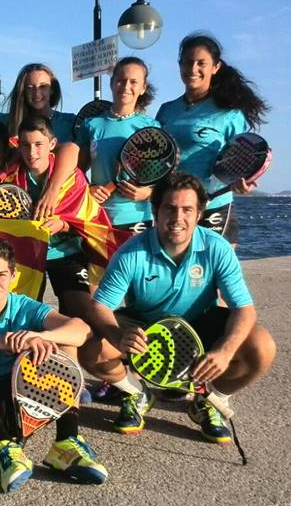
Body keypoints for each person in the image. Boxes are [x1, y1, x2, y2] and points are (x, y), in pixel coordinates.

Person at [81, 173, 276, 441]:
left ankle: (210, 400)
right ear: (155, 212)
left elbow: (244, 309)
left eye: (187, 210)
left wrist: (224, 351)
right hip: (146, 327)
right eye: (170, 208)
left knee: (262, 346)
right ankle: (136, 392)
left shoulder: (217, 248)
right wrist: (118, 336)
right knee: (90, 345)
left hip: (201, 323)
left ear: (199, 214)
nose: (178, 217)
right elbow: (99, 306)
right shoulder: (130, 252)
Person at [0, 237, 107, 493]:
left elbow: (82, 330)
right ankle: (3, 446)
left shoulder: (23, 305)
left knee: (65, 342)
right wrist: (4, 340)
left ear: (13, 276)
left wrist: (41, 336)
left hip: (21, 403)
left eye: (1, 275)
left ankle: (66, 441)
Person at [155, 33, 269, 244]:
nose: (193, 69)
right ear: (179, 65)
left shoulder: (230, 113)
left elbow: (241, 159)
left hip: (214, 206)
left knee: (214, 266)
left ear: (215, 67)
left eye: (201, 63)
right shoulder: (166, 110)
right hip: (174, 207)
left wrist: (244, 182)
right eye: (187, 62)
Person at [4, 116, 92, 320]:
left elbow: (89, 221)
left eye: (38, 144)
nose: (32, 152)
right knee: (22, 316)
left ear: (52, 144)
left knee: (83, 313)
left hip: (65, 253)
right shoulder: (10, 177)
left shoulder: (73, 177)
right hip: (27, 255)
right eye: (25, 145)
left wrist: (63, 225)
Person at [76, 57, 161, 235]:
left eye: (133, 82)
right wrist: (88, 189)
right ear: (112, 83)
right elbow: (77, 172)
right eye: (121, 80)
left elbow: (161, 179)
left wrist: (148, 193)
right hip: (97, 218)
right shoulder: (91, 124)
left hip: (137, 219)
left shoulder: (151, 127)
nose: (126, 86)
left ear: (143, 87)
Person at [6, 63, 75, 143]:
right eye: (30, 87)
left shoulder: (71, 122)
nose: (37, 93)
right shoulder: (8, 122)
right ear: (23, 91)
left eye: (43, 86)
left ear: (52, 89)